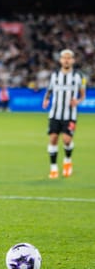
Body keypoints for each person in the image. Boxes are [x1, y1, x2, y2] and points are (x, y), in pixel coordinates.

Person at [42, 49, 86, 179]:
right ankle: (53, 167)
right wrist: (46, 99)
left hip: (70, 114)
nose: (66, 60)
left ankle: (67, 160)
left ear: (73, 60)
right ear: (60, 60)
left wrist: (77, 101)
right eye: (64, 58)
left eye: (69, 58)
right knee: (53, 139)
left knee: (67, 140)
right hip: (55, 113)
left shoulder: (79, 76)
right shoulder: (54, 74)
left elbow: (83, 95)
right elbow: (49, 89)